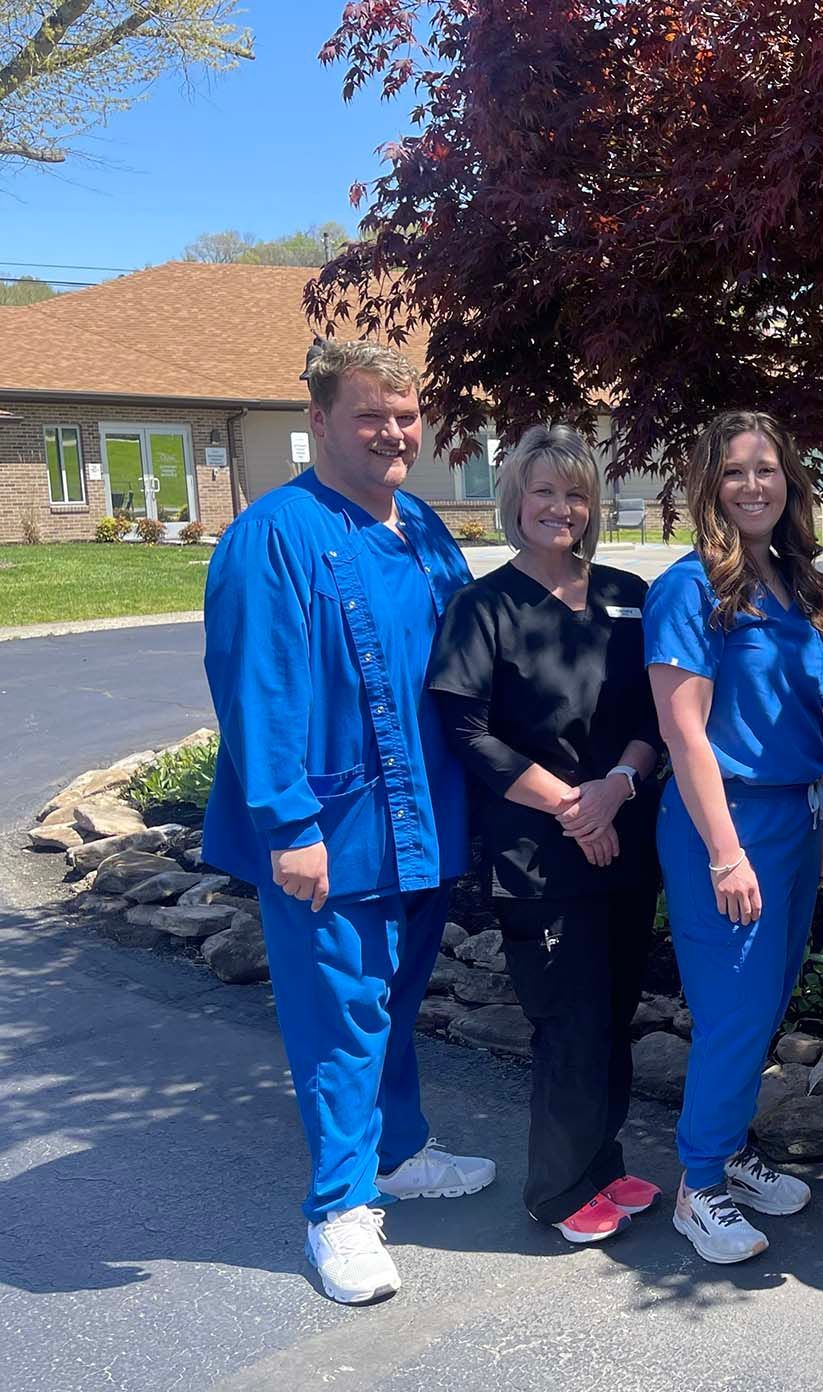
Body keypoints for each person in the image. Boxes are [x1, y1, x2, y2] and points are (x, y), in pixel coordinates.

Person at [202, 339, 494, 1306]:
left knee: (394, 1004)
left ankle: (399, 1152)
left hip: (422, 820)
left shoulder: (424, 529)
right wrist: (289, 827)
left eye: (407, 415)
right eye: (372, 414)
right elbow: (259, 690)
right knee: (338, 1020)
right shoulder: (271, 536)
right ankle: (339, 1209)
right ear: (319, 421)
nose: (395, 432)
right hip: (329, 827)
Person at [428, 425, 664, 1247]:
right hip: (540, 851)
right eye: (543, 493)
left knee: (615, 1010)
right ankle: (557, 1191)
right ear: (514, 504)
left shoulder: (627, 594)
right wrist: (571, 805)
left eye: (574, 494)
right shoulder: (482, 608)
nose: (560, 508)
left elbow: (651, 716)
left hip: (625, 834)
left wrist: (617, 786)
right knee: (567, 1019)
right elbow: (466, 729)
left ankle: (602, 1162)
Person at [645, 410, 823, 1264]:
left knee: (765, 1000)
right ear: (709, 486)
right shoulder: (689, 590)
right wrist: (726, 851)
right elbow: (685, 734)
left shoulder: (800, 584)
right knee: (734, 1011)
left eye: (767, 469)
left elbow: (821, 705)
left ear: (789, 481)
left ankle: (728, 1147)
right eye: (734, 472)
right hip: (723, 824)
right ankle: (698, 1185)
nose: (754, 485)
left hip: (795, 817)